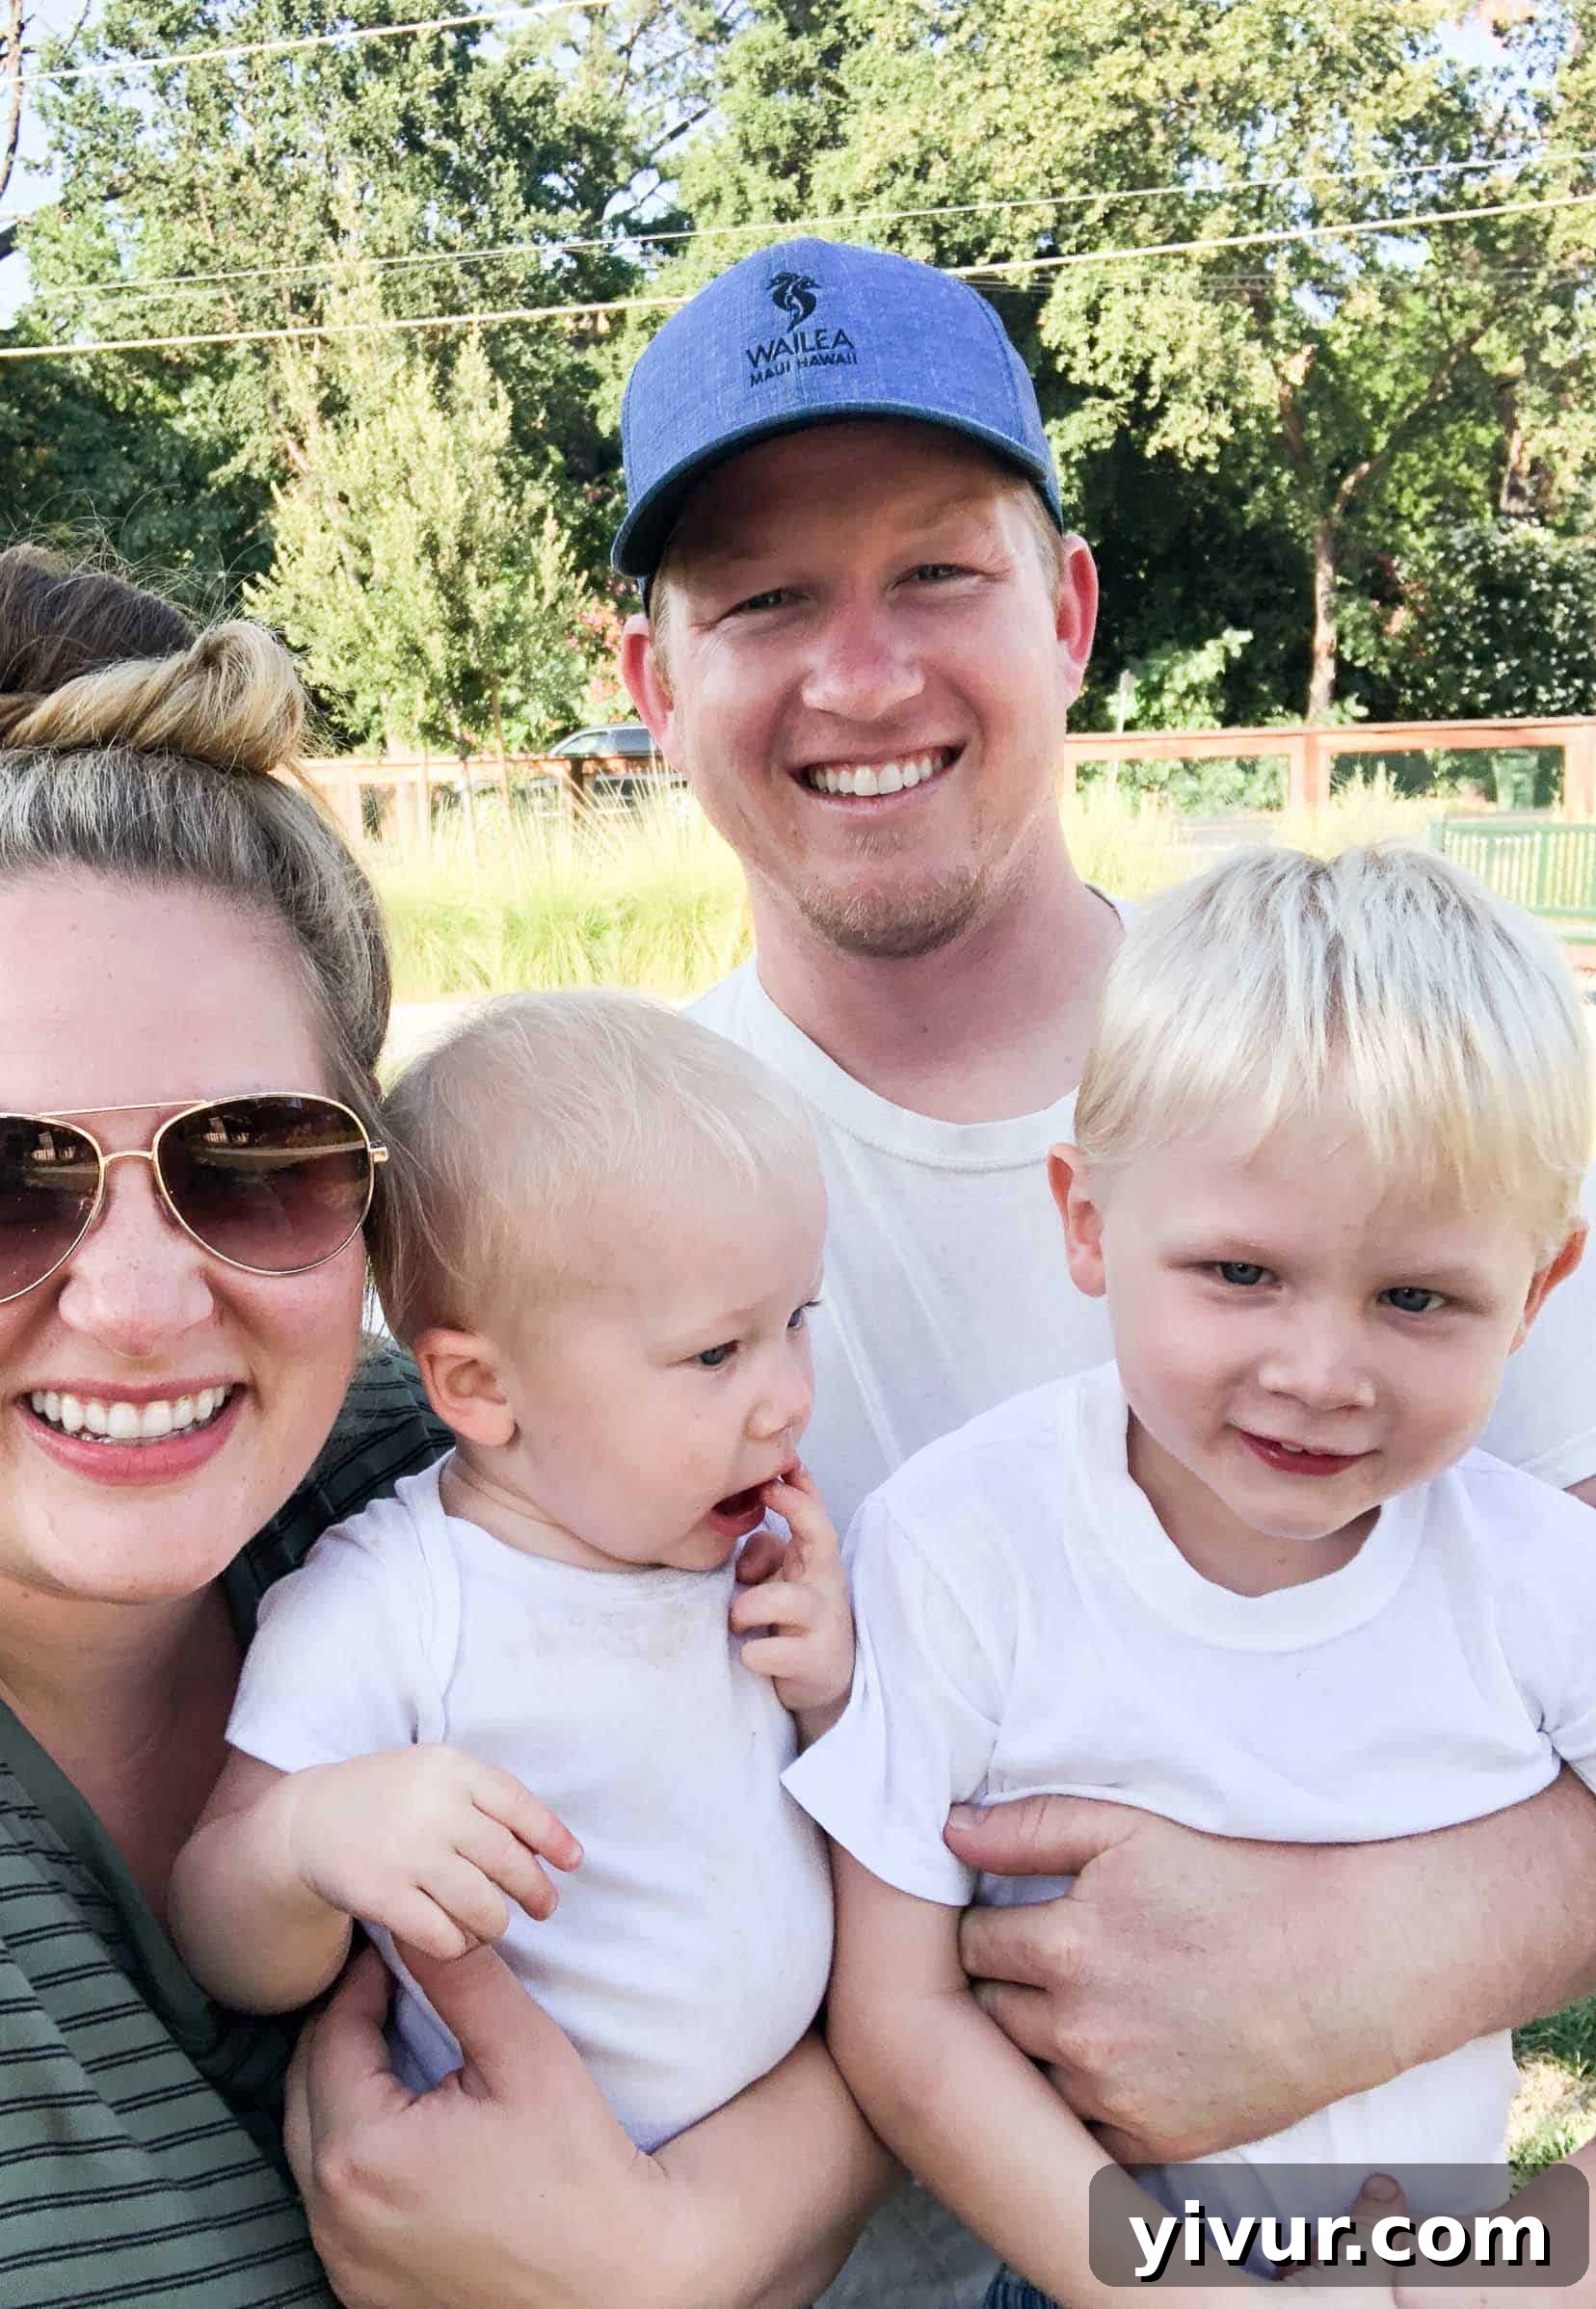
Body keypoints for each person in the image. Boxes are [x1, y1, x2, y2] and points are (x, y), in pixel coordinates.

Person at [611, 234, 1596, 2307]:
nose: (859, 676)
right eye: (764, 598)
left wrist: (1380, 1965)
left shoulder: (1395, 1109)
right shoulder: (595, 1188)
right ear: (649, 685)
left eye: (934, 574)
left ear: (1069, 608)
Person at [0, 549, 888, 2307]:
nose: (139, 1298)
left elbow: (977, 1945)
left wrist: (684, 2250)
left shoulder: (453, 1471)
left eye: (251, 1163)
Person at [785, 841, 1596, 2309]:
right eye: (1240, 1275)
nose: (1320, 1372)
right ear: (1087, 1221)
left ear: (1539, 1288)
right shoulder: (965, 1548)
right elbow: (897, 2018)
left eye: (1417, 1298)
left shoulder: (1544, 1580)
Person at [169, 991, 858, 2155]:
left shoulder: (738, 1546)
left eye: (798, 1318)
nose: (788, 1392)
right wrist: (308, 1839)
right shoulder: (394, 1601)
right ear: (482, 1389)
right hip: (526, 2211)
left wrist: (833, 1685)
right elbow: (216, 1929)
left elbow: (857, 1809)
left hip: (783, 2173)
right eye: (715, 1350)